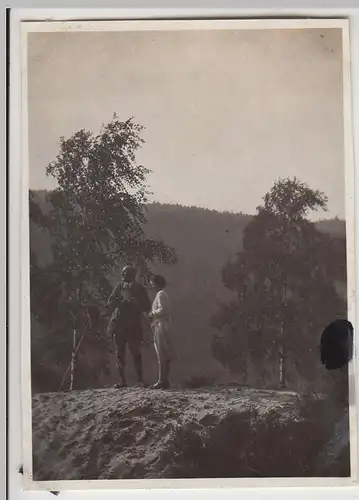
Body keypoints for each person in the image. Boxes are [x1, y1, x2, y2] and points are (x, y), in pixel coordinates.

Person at [106, 265, 151, 388]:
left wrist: (135, 303)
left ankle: (140, 380)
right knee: (119, 354)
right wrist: (121, 302)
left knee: (135, 353)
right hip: (119, 325)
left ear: (132, 274)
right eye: (122, 273)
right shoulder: (119, 287)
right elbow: (110, 302)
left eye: (125, 273)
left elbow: (147, 305)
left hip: (133, 326)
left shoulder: (139, 289)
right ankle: (122, 381)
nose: (123, 275)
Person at [148, 274, 174, 389]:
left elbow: (164, 309)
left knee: (161, 353)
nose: (152, 286)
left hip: (161, 325)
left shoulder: (161, 295)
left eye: (153, 283)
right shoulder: (162, 294)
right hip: (162, 324)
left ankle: (162, 380)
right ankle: (164, 380)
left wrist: (152, 314)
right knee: (164, 354)